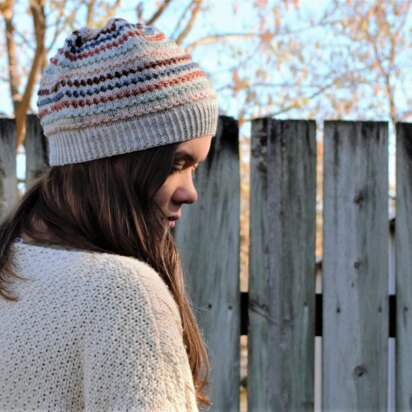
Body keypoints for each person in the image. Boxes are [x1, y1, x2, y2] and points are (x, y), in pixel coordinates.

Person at [0, 17, 218, 411]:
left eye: (195, 168)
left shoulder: (11, 270)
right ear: (115, 160)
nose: (190, 192)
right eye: (175, 164)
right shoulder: (124, 295)